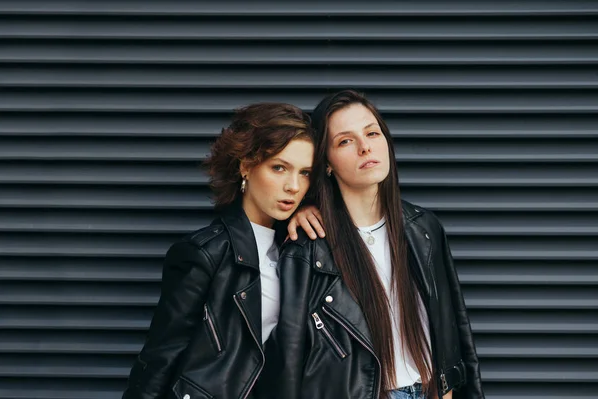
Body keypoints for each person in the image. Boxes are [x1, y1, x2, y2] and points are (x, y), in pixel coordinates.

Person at [262, 90, 484, 399]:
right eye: (346, 141)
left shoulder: (424, 229)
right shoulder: (309, 246)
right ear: (326, 163)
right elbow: (290, 359)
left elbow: (454, 329)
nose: (365, 147)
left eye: (372, 133)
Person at [121, 103, 314, 399]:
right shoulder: (204, 253)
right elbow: (161, 357)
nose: (293, 186)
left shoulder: (299, 249)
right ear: (246, 165)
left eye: (305, 173)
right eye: (279, 167)